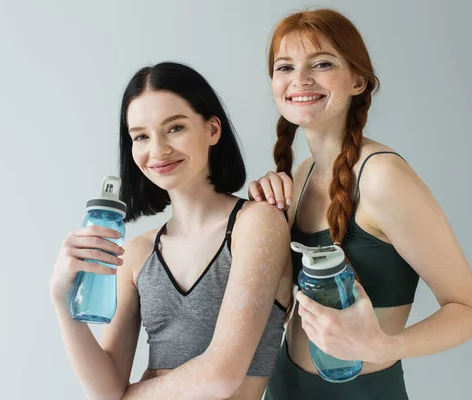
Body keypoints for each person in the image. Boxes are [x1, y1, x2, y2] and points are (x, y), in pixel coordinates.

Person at [247, 8, 472, 399]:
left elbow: (471, 311)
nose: (300, 80)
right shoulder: (302, 174)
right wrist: (259, 214)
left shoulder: (383, 178)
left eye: (322, 63)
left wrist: (385, 347)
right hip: (284, 387)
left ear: (358, 80)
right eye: (285, 67)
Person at [50, 61, 293, 400]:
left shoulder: (256, 223)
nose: (158, 150)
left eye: (175, 128)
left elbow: (223, 375)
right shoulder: (137, 254)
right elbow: (105, 390)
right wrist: (62, 300)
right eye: (141, 136)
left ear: (212, 129)